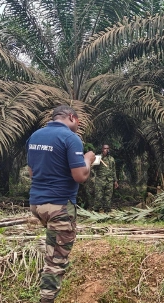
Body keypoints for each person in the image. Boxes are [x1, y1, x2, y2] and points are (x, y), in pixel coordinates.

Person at [26, 105, 95, 303]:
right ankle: (46, 299)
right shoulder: (71, 138)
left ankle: (49, 267)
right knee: (56, 261)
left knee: (53, 249)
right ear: (72, 117)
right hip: (59, 206)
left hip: (37, 204)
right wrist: (88, 159)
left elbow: (32, 172)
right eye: (78, 122)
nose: (78, 126)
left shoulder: (35, 136)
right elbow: (80, 176)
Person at [93, 144, 118, 212]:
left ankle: (107, 210)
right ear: (102, 149)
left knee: (108, 196)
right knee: (98, 196)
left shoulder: (112, 159)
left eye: (108, 148)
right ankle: (96, 210)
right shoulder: (98, 158)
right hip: (100, 180)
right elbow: (93, 168)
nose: (106, 150)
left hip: (109, 180)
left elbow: (113, 170)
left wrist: (115, 181)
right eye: (105, 148)